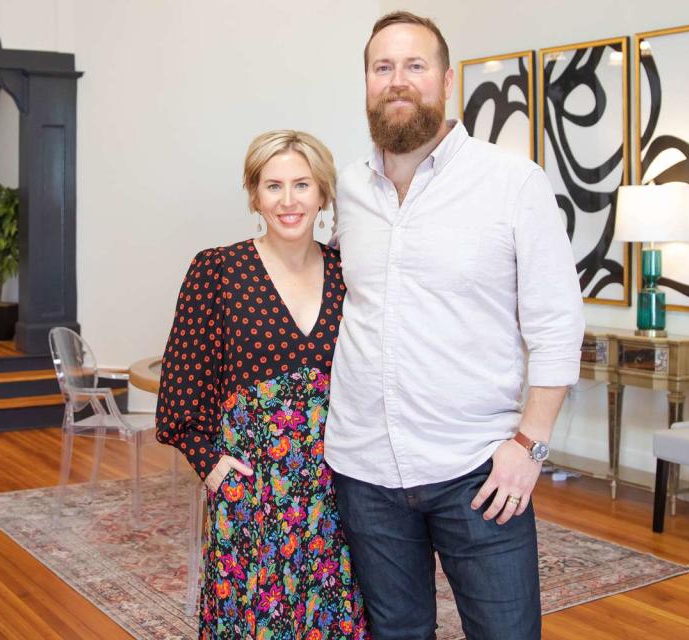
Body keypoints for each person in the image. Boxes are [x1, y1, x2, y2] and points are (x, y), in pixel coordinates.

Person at [325, 11, 585, 640]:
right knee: (398, 633)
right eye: (382, 67)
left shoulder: (511, 183)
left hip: (479, 470)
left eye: (415, 66)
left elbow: (556, 324)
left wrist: (530, 446)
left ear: (447, 82)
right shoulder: (344, 194)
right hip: (366, 471)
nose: (398, 80)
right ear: (365, 83)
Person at [156, 130, 370, 640]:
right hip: (252, 492)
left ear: (323, 193)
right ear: (254, 195)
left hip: (338, 489)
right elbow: (182, 384)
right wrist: (209, 466)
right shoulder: (218, 271)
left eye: (302, 184)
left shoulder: (349, 272)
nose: (289, 200)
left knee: (336, 620)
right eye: (273, 186)